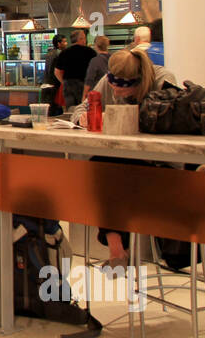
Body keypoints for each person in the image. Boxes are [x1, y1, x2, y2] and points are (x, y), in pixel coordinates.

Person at [71, 47, 181, 268]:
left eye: (123, 90)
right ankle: (117, 248)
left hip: (158, 166)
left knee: (110, 173)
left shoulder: (163, 81)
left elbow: (176, 123)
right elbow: (82, 106)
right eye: (114, 87)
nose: (117, 94)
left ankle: (119, 251)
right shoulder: (108, 80)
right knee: (102, 167)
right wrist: (81, 117)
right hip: (119, 163)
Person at [53, 29, 97, 109]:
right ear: (80, 39)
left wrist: (64, 82)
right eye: (84, 38)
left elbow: (57, 71)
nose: (85, 40)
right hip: (84, 85)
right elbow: (95, 70)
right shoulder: (90, 52)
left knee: (70, 110)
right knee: (83, 109)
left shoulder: (64, 52)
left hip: (68, 85)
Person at [41, 34, 67, 115]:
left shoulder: (49, 53)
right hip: (55, 86)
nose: (66, 43)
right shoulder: (60, 54)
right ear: (59, 44)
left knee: (48, 112)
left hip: (46, 85)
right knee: (56, 112)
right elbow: (57, 71)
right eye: (64, 42)